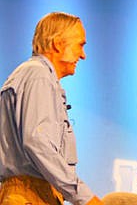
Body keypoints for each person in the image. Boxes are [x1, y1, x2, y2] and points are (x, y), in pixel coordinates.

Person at [0, 12, 103, 205]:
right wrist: (85, 198)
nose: (83, 55)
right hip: (28, 196)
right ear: (57, 44)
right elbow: (38, 142)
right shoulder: (38, 75)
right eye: (80, 44)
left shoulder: (34, 75)